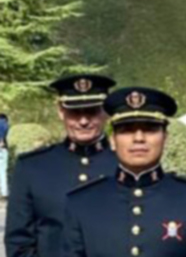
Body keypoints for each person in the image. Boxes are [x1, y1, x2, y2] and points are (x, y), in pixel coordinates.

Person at [62, 87, 186, 257]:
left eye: (150, 129)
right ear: (112, 140)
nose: (138, 138)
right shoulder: (82, 202)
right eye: (127, 130)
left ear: (165, 138)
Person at [5, 75, 118, 257]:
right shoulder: (32, 167)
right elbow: (19, 242)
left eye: (91, 111)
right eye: (75, 112)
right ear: (60, 111)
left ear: (105, 112)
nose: (83, 121)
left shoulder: (127, 165)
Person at [0, 113, 9, 201]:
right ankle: (4, 192)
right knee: (2, 171)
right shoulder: (2, 122)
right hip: (2, 149)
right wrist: (1, 140)